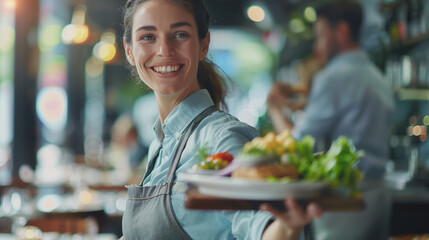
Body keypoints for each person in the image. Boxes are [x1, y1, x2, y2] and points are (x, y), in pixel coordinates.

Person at [120, 0, 322, 239]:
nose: (164, 49)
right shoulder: (160, 143)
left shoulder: (224, 138)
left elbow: (262, 227)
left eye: (180, 34)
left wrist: (288, 225)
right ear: (130, 51)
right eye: (147, 37)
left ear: (203, 45)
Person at [267, 1, 395, 240]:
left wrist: (275, 110)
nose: (317, 48)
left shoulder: (333, 77)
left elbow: (296, 146)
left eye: (321, 36)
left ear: (342, 32)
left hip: (344, 202)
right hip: (379, 195)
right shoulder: (377, 77)